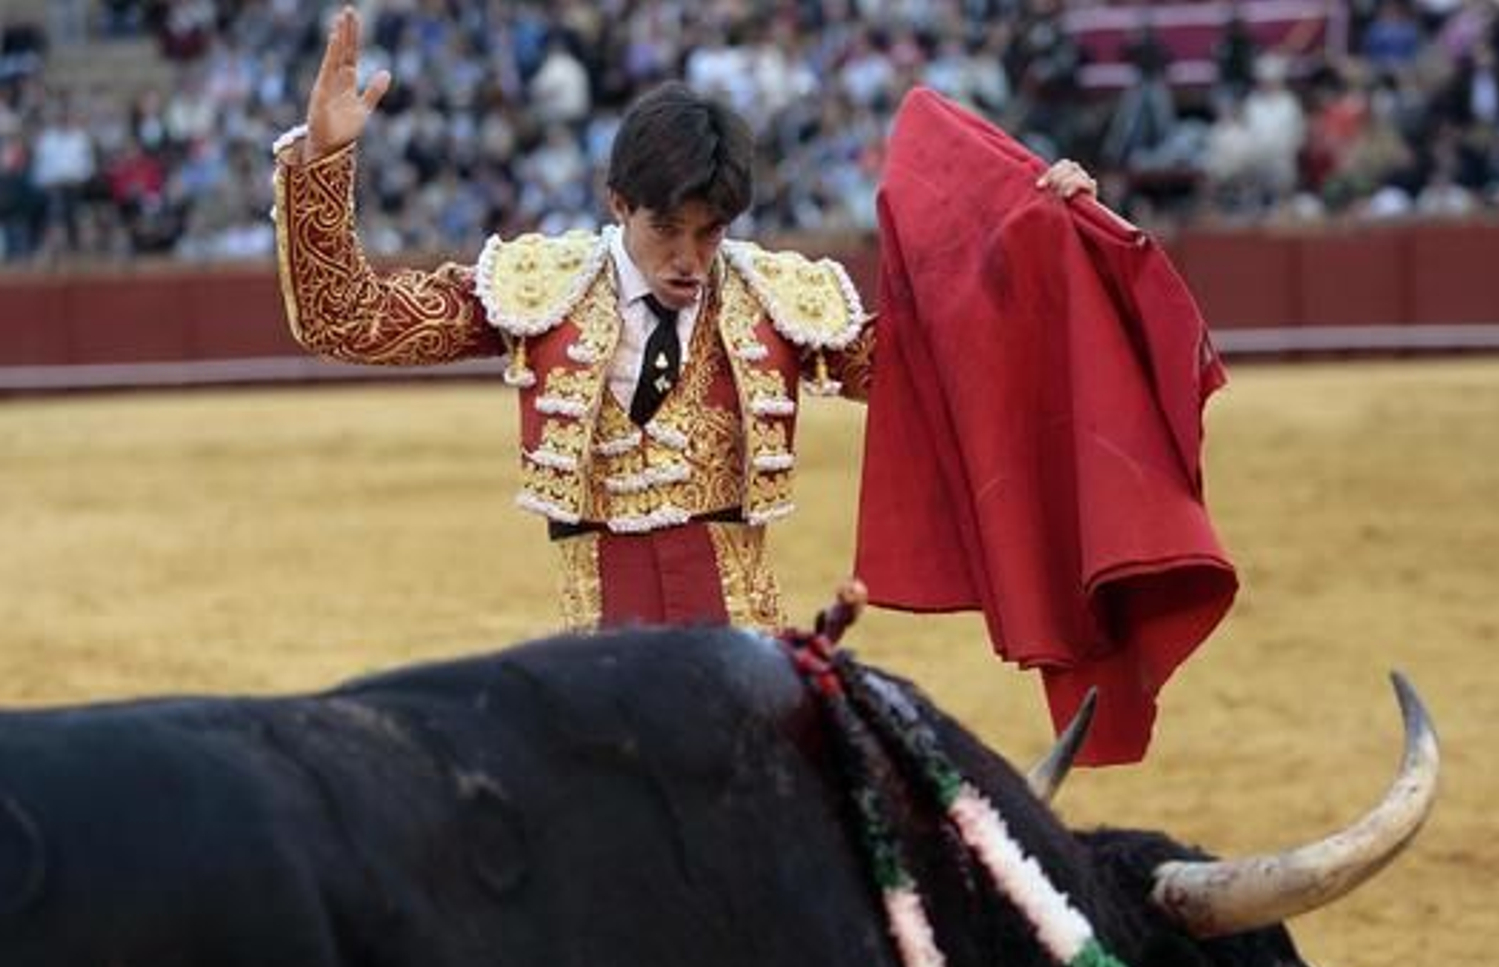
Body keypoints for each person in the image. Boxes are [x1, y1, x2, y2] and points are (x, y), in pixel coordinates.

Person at [272, 6, 1097, 632]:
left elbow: (934, 371)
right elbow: (347, 321)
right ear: (618, 205)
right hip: (599, 646)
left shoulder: (777, 299)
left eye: (710, 233)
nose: (688, 259)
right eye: (666, 230)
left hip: (746, 644)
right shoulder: (539, 289)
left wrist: (1030, 245)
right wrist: (323, 165)